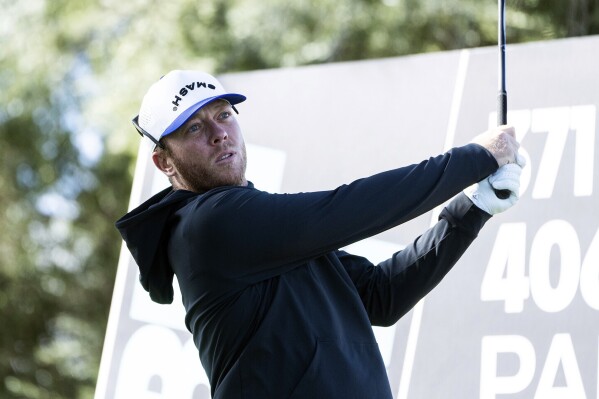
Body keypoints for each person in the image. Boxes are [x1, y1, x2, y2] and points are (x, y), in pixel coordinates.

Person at [116, 70, 523, 398]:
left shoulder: (265, 231)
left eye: (223, 115)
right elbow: (348, 208)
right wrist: (476, 157)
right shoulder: (207, 225)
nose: (218, 133)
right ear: (164, 163)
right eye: (193, 128)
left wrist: (474, 207)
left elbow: (381, 295)